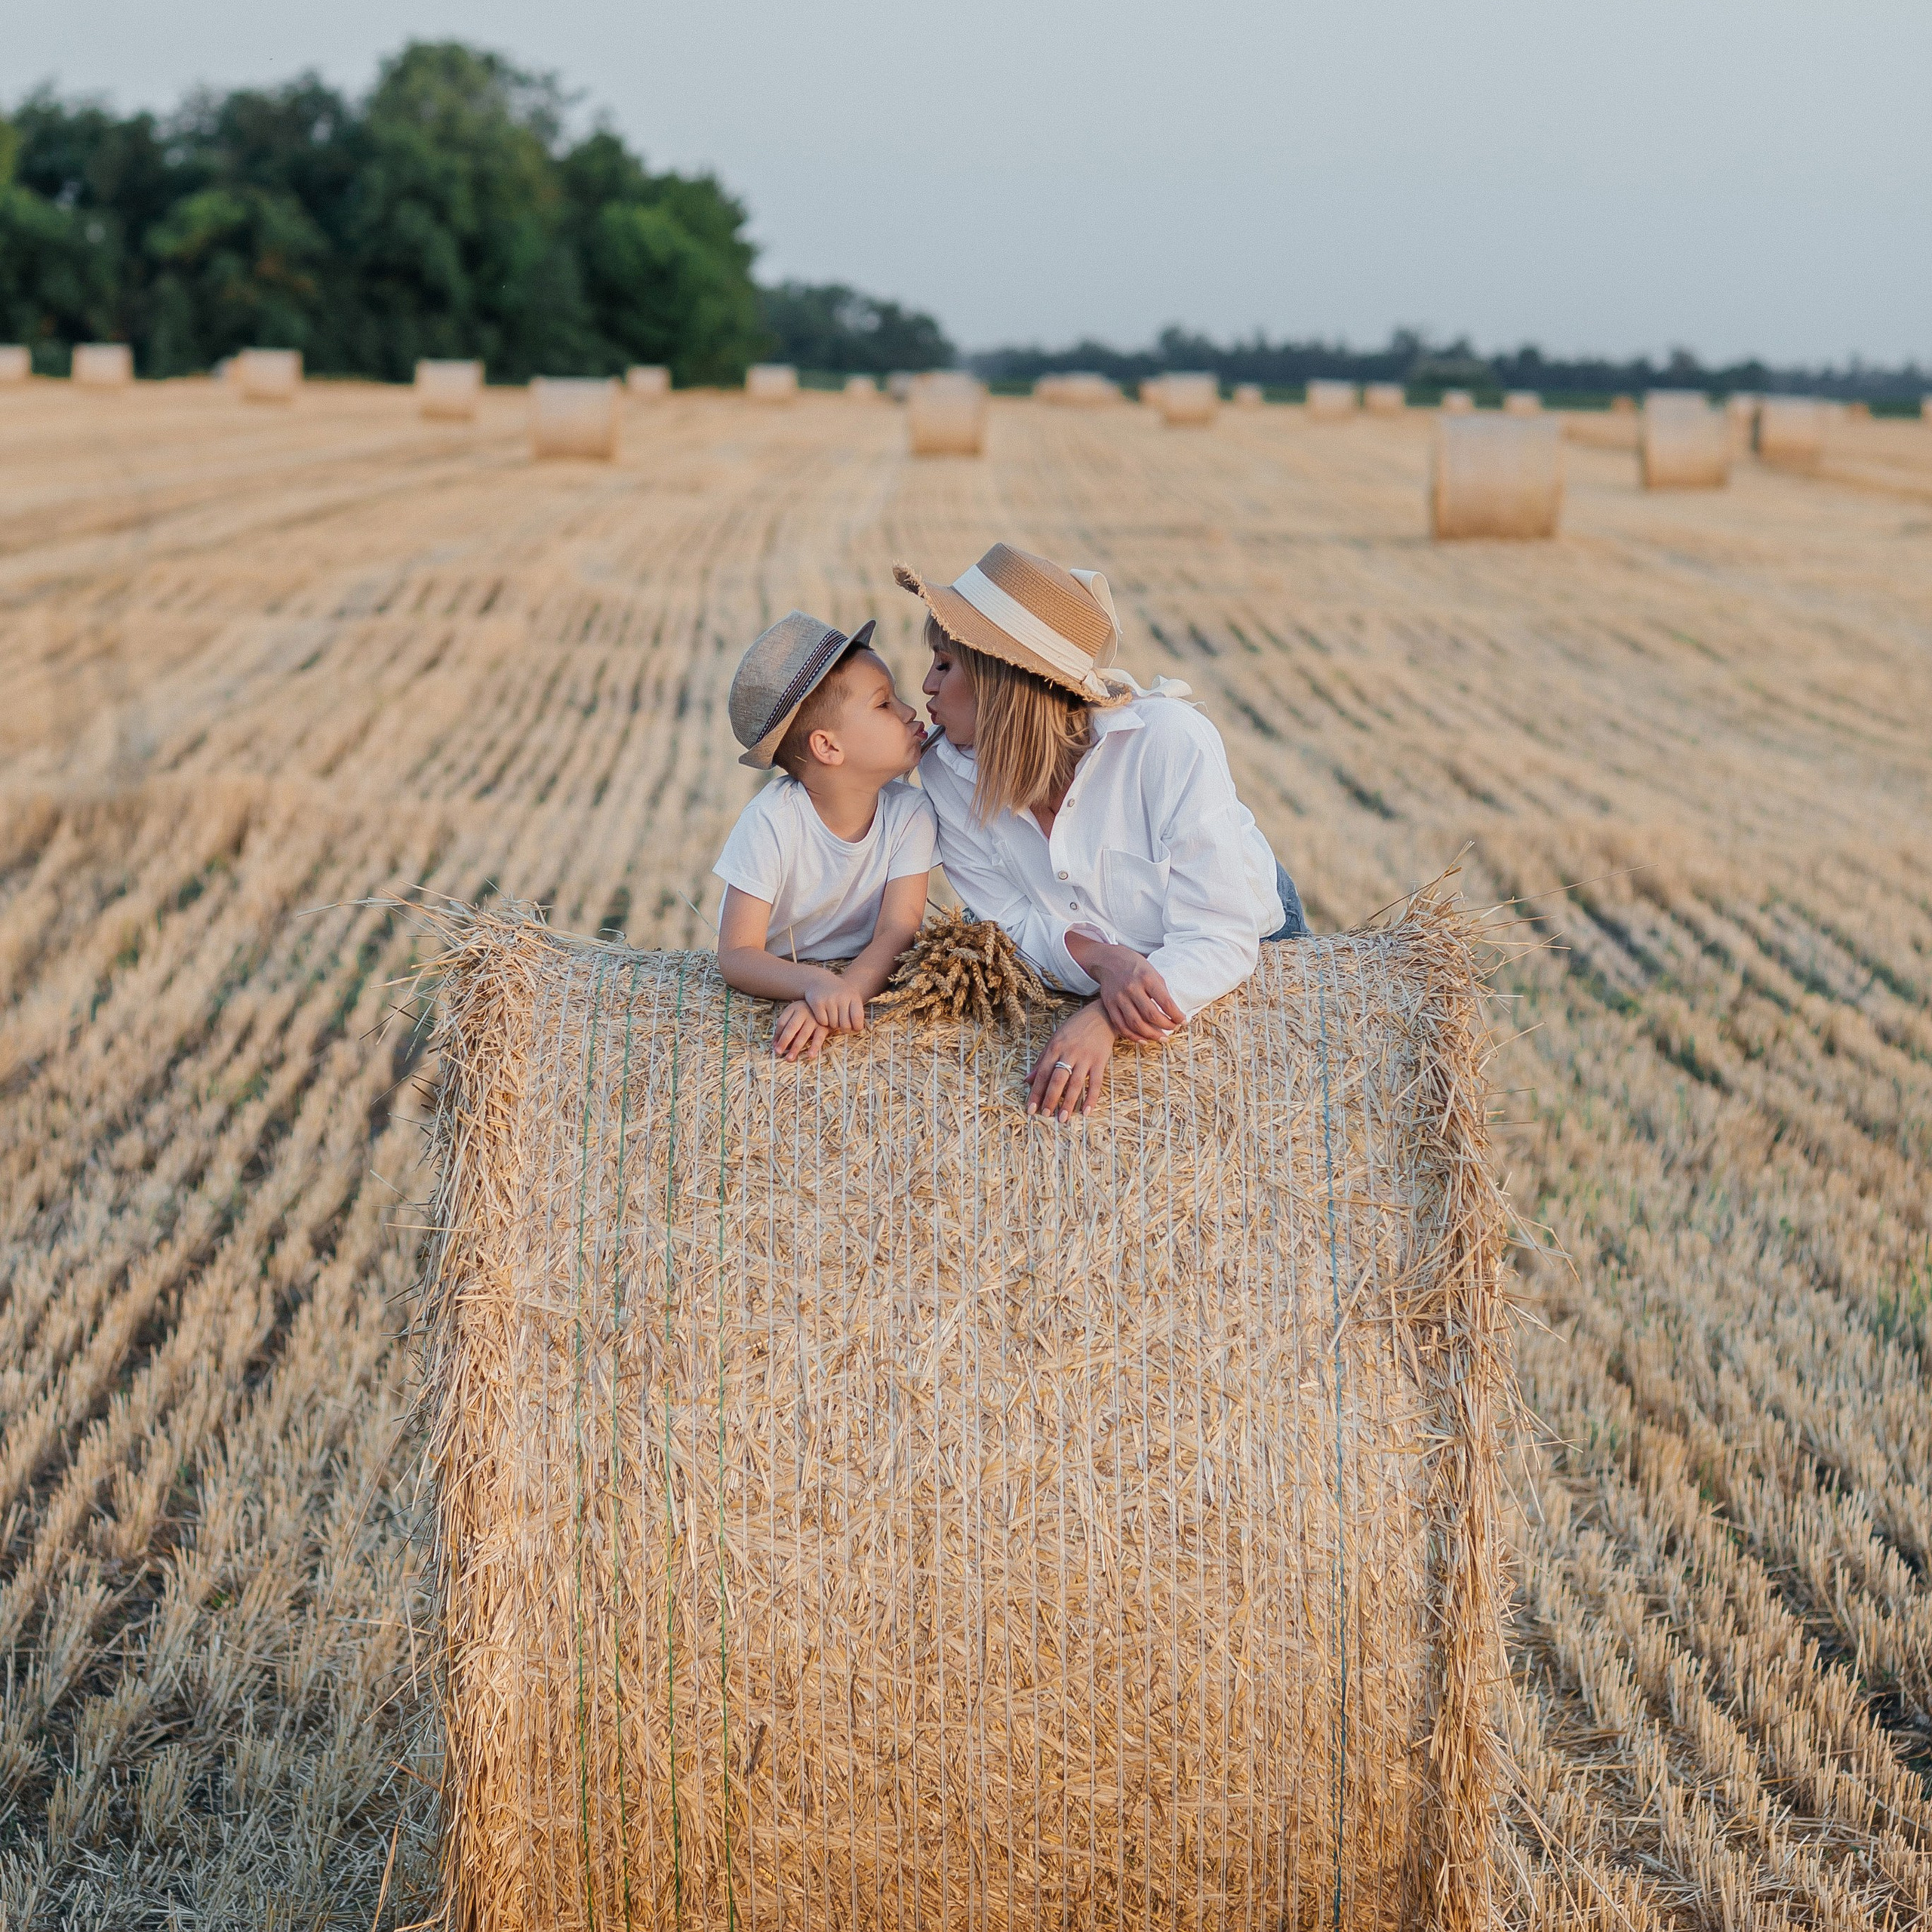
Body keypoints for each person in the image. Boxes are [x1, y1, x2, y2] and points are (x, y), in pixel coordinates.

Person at [895, 543, 1306, 1122]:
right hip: (1094, 961)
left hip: (1249, 935)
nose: (926, 685)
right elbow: (1009, 922)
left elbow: (1219, 935)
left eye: (944, 664)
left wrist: (1105, 1018)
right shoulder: (944, 773)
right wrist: (1105, 962)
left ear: (1001, 678)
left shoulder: (1167, 741)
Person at [714, 611, 936, 1060]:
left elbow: (898, 929)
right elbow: (737, 952)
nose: (910, 711)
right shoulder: (771, 822)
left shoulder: (911, 813)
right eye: (884, 704)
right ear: (828, 747)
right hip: (789, 976)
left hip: (853, 977)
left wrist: (842, 993)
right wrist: (815, 983)